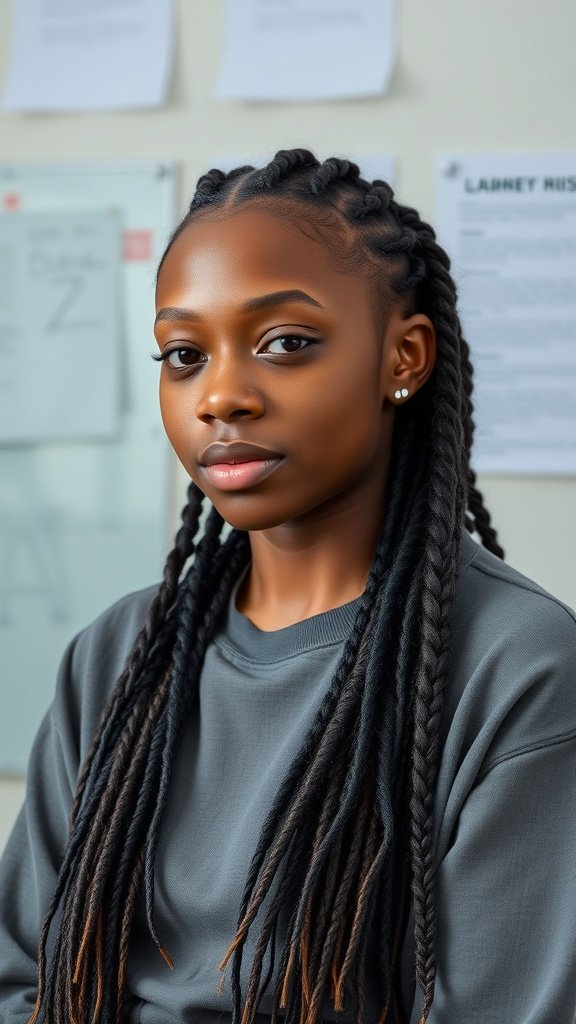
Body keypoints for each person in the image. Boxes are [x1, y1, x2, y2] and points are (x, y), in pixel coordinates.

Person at [0, 148, 575, 1024]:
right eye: (184, 354)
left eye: (285, 344)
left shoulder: (518, 669)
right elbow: (22, 981)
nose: (220, 397)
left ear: (404, 358)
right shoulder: (116, 658)